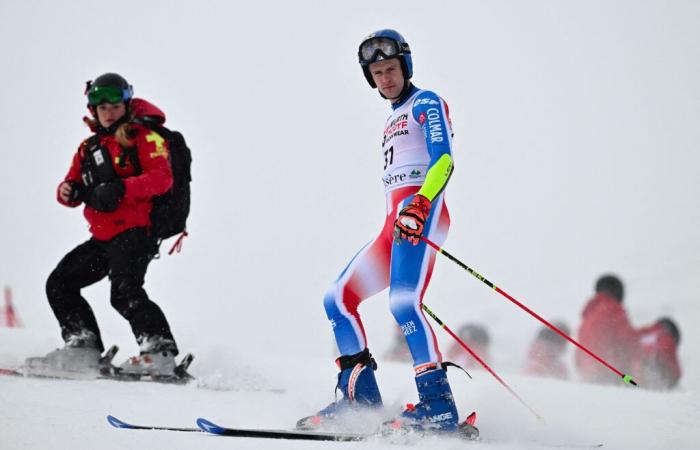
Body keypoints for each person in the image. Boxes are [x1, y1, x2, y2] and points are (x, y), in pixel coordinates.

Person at [298, 30, 474, 437]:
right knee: (338, 299)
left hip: (420, 213)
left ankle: (438, 407)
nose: (386, 78)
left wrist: (422, 202)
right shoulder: (390, 116)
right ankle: (359, 401)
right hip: (394, 222)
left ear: (405, 67)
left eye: (391, 69)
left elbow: (443, 160)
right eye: (377, 72)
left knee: (403, 302)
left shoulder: (425, 102)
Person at [38, 73, 179, 376]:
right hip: (103, 236)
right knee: (60, 283)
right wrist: (68, 191)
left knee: (125, 291)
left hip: (136, 232)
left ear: (126, 104)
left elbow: (162, 177)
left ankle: (160, 351)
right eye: (101, 107)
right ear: (93, 110)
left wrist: (123, 188)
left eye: (114, 105)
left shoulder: (143, 137)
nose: (108, 112)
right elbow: (71, 186)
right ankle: (83, 345)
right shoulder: (88, 148)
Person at [575, 274, 639, 384]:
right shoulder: (614, 309)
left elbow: (581, 346)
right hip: (608, 370)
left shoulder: (590, 313)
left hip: (588, 372)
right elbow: (627, 340)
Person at [633, 317, 681, 390]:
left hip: (630, 372)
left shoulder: (643, 332)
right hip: (650, 375)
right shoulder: (666, 337)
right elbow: (676, 372)